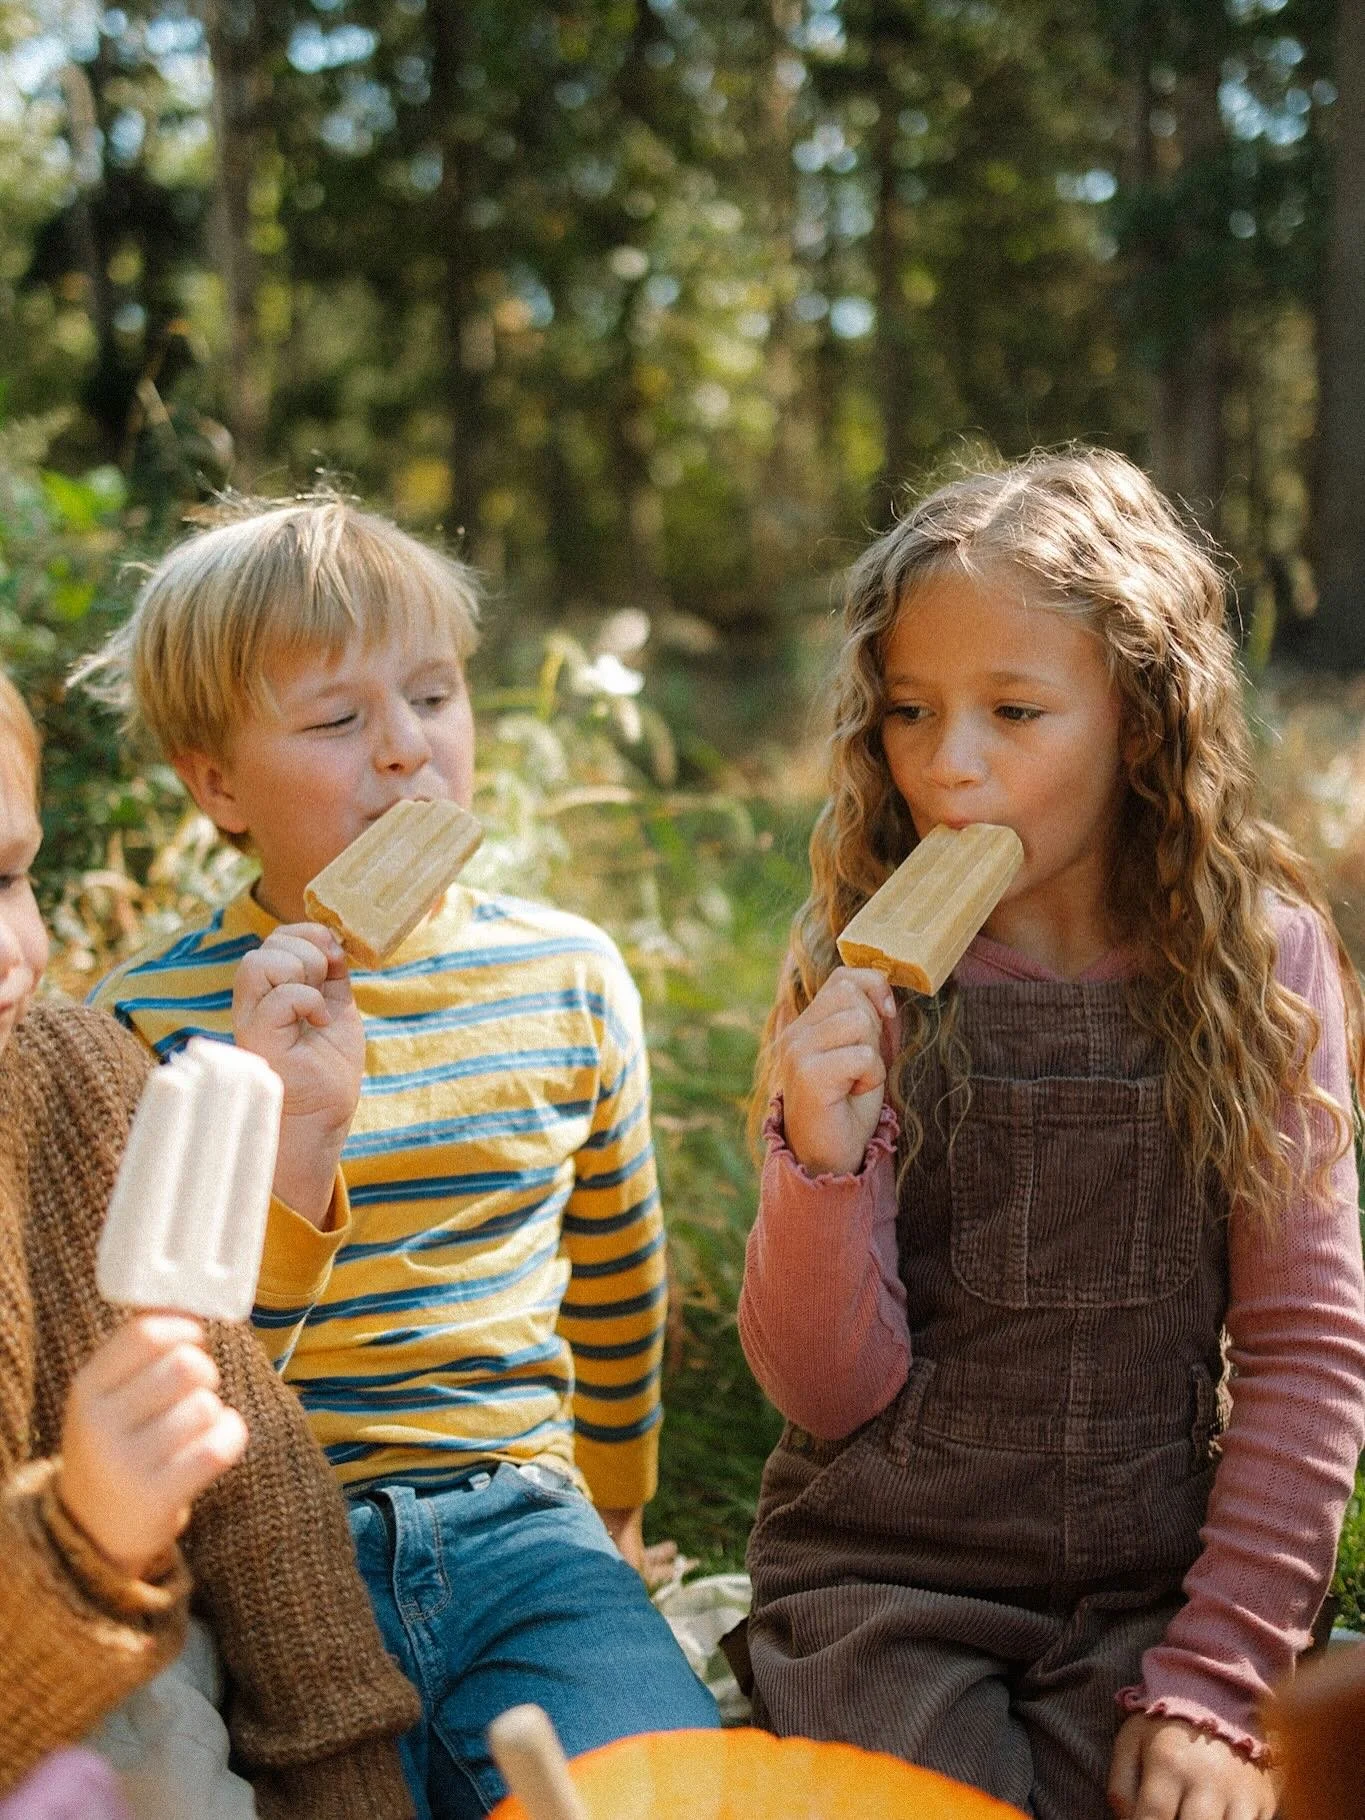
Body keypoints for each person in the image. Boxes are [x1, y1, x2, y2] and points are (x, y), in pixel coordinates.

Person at [737, 448, 1365, 1820]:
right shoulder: (852, 973)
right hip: (884, 1583)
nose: (947, 764)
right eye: (911, 711)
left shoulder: (1259, 966)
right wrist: (820, 1161)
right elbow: (821, 1392)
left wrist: (1220, 1674)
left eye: (1014, 711)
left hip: (1152, 1592)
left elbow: (1305, 1347)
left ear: (1141, 722)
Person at [79, 493, 720, 1820]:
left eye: (433, 695)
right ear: (216, 784)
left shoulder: (566, 976)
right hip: (265, 1550)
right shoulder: (141, 1022)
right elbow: (163, 1347)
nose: (406, 747)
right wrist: (280, 1139)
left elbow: (615, 1274)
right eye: (336, 719)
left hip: (525, 1525)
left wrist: (617, 1513)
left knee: (664, 1795)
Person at [0, 667, 421, 1814]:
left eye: (9, 875)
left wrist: (354, 1790)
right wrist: (82, 1539)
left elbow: (261, 1500)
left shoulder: (75, 1079)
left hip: (138, 1699)